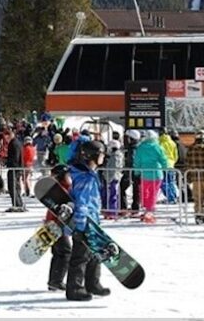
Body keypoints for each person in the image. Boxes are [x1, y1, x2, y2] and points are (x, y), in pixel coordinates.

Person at [65, 139, 110, 301]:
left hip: (92, 220)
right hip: (84, 222)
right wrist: (80, 226)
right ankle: (75, 288)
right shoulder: (85, 178)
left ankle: (93, 284)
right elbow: (82, 202)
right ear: (92, 156)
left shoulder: (88, 174)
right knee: (81, 256)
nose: (104, 157)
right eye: (102, 154)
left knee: (95, 253)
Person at [132, 130, 168, 224]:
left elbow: (137, 161)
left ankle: (146, 209)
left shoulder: (140, 147)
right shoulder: (157, 147)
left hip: (145, 173)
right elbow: (163, 159)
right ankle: (150, 210)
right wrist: (166, 168)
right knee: (153, 193)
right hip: (157, 173)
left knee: (145, 192)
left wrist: (137, 172)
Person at [47, 164, 72, 291]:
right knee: (65, 252)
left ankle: (53, 281)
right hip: (57, 224)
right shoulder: (62, 189)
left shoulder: (60, 188)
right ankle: (56, 281)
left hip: (55, 223)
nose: (70, 177)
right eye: (68, 175)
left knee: (58, 253)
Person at [119, 129, 142, 215]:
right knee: (136, 190)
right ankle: (135, 208)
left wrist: (126, 169)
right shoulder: (134, 148)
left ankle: (124, 208)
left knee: (122, 188)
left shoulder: (133, 149)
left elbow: (131, 161)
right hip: (134, 172)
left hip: (130, 172)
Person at [158, 129, 178, 204]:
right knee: (171, 182)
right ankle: (174, 197)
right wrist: (172, 162)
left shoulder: (159, 143)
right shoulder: (172, 143)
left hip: (163, 165)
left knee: (163, 183)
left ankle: (170, 198)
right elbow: (176, 155)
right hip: (171, 165)